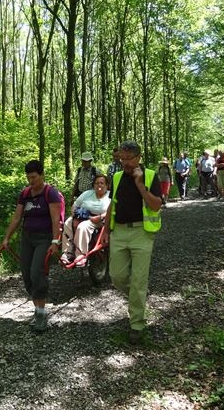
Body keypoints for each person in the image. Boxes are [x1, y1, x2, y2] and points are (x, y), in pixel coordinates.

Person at [101, 141, 162, 344]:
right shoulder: (117, 176)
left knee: (138, 281)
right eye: (122, 158)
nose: (125, 162)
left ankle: (137, 324)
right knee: (116, 276)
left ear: (138, 157)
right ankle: (139, 299)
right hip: (118, 232)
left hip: (141, 233)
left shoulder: (151, 175)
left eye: (128, 158)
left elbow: (156, 205)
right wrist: (105, 230)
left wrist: (140, 185)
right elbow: (112, 204)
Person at [0, 160, 62, 332]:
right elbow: (17, 218)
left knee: (37, 273)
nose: (31, 180)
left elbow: (56, 220)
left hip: (45, 238)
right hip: (27, 238)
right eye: (28, 177)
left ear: (42, 175)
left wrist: (55, 242)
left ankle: (41, 315)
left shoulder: (51, 193)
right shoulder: (25, 194)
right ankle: (37, 310)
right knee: (26, 275)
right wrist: (6, 239)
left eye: (33, 177)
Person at [60, 174, 111, 267]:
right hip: (83, 216)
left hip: (100, 220)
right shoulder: (87, 193)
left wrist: (100, 217)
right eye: (97, 183)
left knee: (83, 226)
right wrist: (75, 216)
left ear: (107, 185)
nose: (99, 185)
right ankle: (68, 253)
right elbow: (75, 206)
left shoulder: (110, 196)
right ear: (93, 185)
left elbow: (112, 210)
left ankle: (80, 255)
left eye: (102, 183)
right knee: (68, 222)